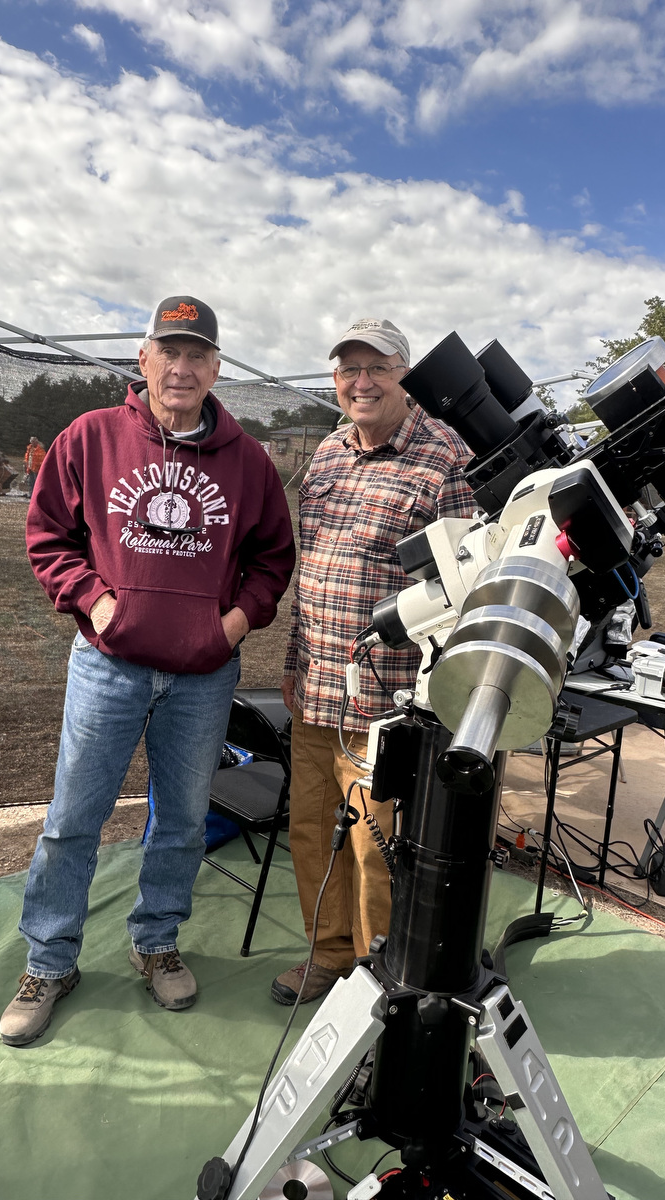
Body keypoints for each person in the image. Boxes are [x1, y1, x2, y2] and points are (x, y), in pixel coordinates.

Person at [0, 294, 295, 1046]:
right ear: (144, 359)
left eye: (198, 354)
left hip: (202, 677)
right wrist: (96, 604)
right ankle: (50, 960)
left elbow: (271, 559)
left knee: (183, 821)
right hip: (108, 666)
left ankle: (156, 940)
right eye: (170, 351)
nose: (183, 367)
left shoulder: (249, 460)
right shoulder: (91, 437)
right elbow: (48, 537)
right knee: (73, 818)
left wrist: (231, 625)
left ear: (217, 368)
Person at [274, 318, 474, 1006]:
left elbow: (467, 584)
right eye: (347, 369)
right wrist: (295, 660)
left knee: (375, 850)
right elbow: (315, 569)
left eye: (377, 367)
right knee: (311, 835)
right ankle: (326, 957)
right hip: (315, 686)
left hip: (386, 704)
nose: (361, 382)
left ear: (404, 374)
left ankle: (377, 982)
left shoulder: (447, 456)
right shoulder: (327, 453)